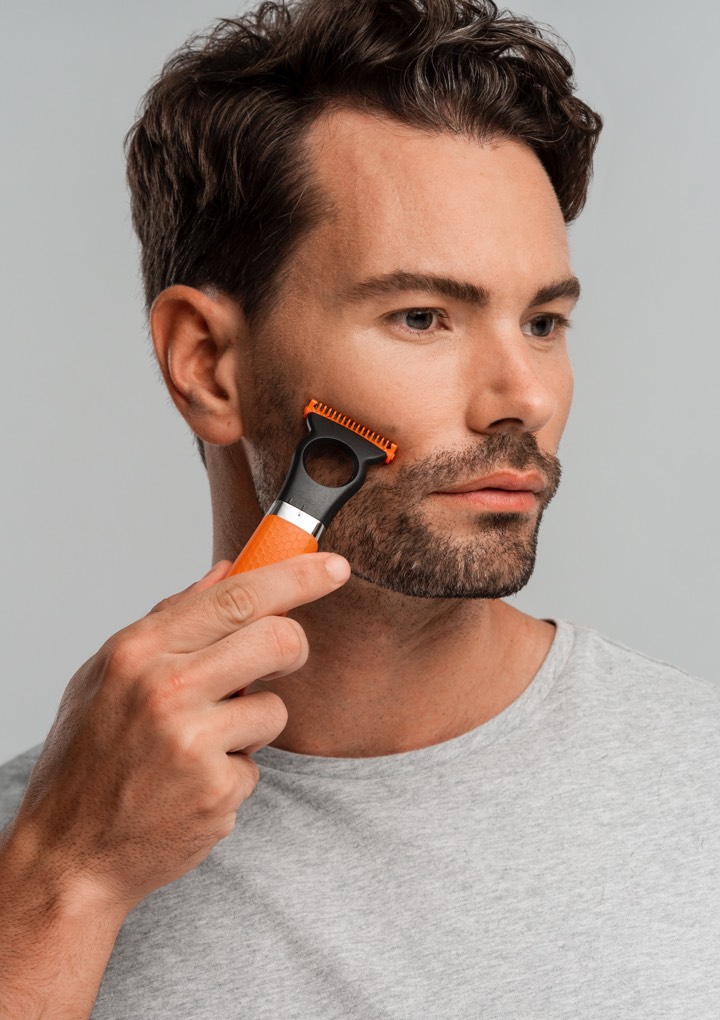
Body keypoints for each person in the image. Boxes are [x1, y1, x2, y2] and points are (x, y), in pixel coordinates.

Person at [1, 0, 718, 1016]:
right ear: (207, 364)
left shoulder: (701, 787)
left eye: (543, 320)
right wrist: (64, 887)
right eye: (423, 316)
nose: (524, 397)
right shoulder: (31, 865)